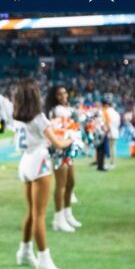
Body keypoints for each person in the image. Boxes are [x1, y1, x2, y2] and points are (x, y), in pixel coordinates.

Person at [13, 79, 72, 269]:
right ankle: (44, 259)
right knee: (39, 215)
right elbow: (57, 143)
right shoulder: (39, 118)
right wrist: (72, 137)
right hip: (39, 162)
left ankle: (24, 252)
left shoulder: (17, 117)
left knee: (31, 212)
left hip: (25, 162)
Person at [45, 85, 81, 232]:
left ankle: (67, 213)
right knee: (61, 184)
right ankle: (58, 219)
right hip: (58, 150)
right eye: (59, 94)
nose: (64, 96)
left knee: (71, 182)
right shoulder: (54, 111)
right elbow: (56, 131)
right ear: (54, 97)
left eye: (65, 93)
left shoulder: (66, 109)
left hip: (68, 149)